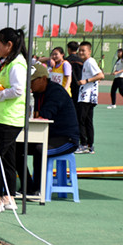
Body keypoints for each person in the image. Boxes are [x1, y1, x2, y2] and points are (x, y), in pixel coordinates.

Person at [15, 63, 80, 195]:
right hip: (47, 137)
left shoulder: (56, 92)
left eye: (32, 81)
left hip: (66, 139)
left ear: (43, 79)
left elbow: (45, 115)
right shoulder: (39, 93)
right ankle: (27, 185)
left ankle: (39, 188)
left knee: (40, 150)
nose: (29, 85)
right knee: (15, 148)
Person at [0, 28, 28, 213]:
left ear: (9, 45)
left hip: (9, 119)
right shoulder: (9, 63)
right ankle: (9, 197)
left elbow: (18, 90)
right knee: (8, 158)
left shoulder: (17, 64)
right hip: (5, 118)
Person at [74, 41, 104, 154]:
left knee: (81, 120)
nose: (81, 52)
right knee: (88, 121)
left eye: (83, 50)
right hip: (88, 96)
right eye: (80, 50)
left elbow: (101, 75)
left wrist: (85, 81)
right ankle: (90, 145)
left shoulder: (90, 62)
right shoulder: (87, 62)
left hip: (86, 96)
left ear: (89, 51)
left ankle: (83, 145)